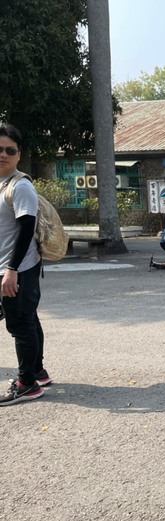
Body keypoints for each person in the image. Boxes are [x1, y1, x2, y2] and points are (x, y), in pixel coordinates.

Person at [0, 123, 50, 406]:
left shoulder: (21, 186)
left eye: (10, 150)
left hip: (19, 266)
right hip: (8, 266)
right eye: (0, 149)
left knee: (19, 324)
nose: (4, 154)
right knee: (28, 318)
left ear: (19, 155)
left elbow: (25, 229)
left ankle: (27, 384)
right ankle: (37, 371)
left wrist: (11, 269)